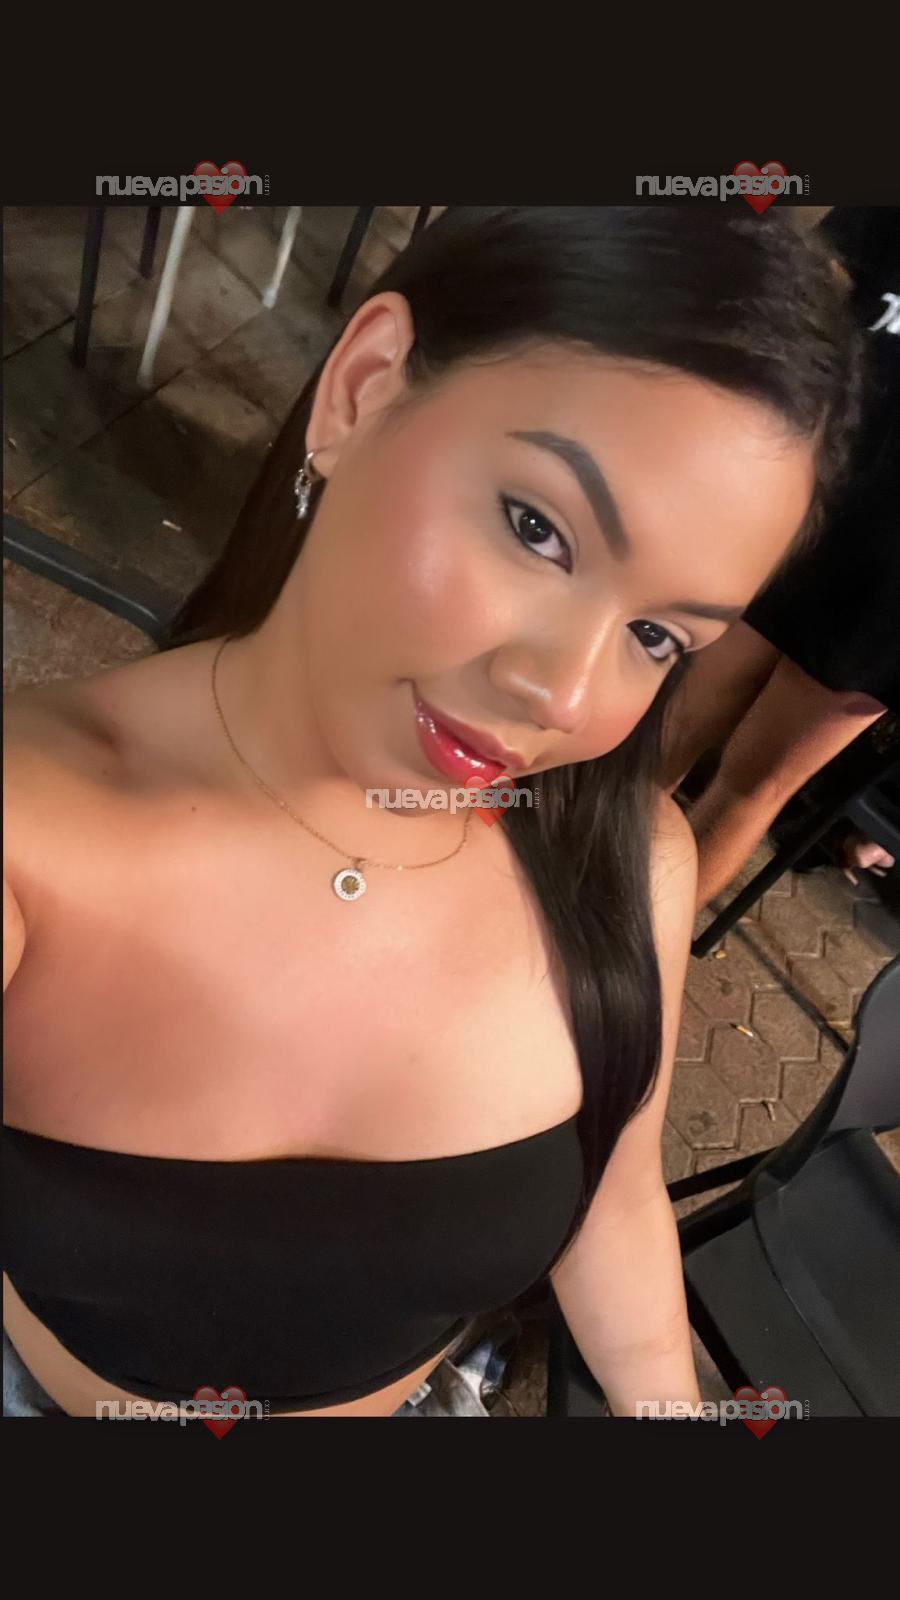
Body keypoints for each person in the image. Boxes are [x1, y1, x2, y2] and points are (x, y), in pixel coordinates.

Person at [2, 207, 857, 1420]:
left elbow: (611, 1201)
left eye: (658, 636)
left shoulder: (623, 869)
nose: (562, 695)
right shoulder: (32, 832)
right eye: (537, 529)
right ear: (361, 388)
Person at [663, 207, 900, 905]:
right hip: (817, 498)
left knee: (749, 782)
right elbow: (818, 286)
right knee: (684, 736)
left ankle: (616, 952)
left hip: (876, 582)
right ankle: (543, 907)